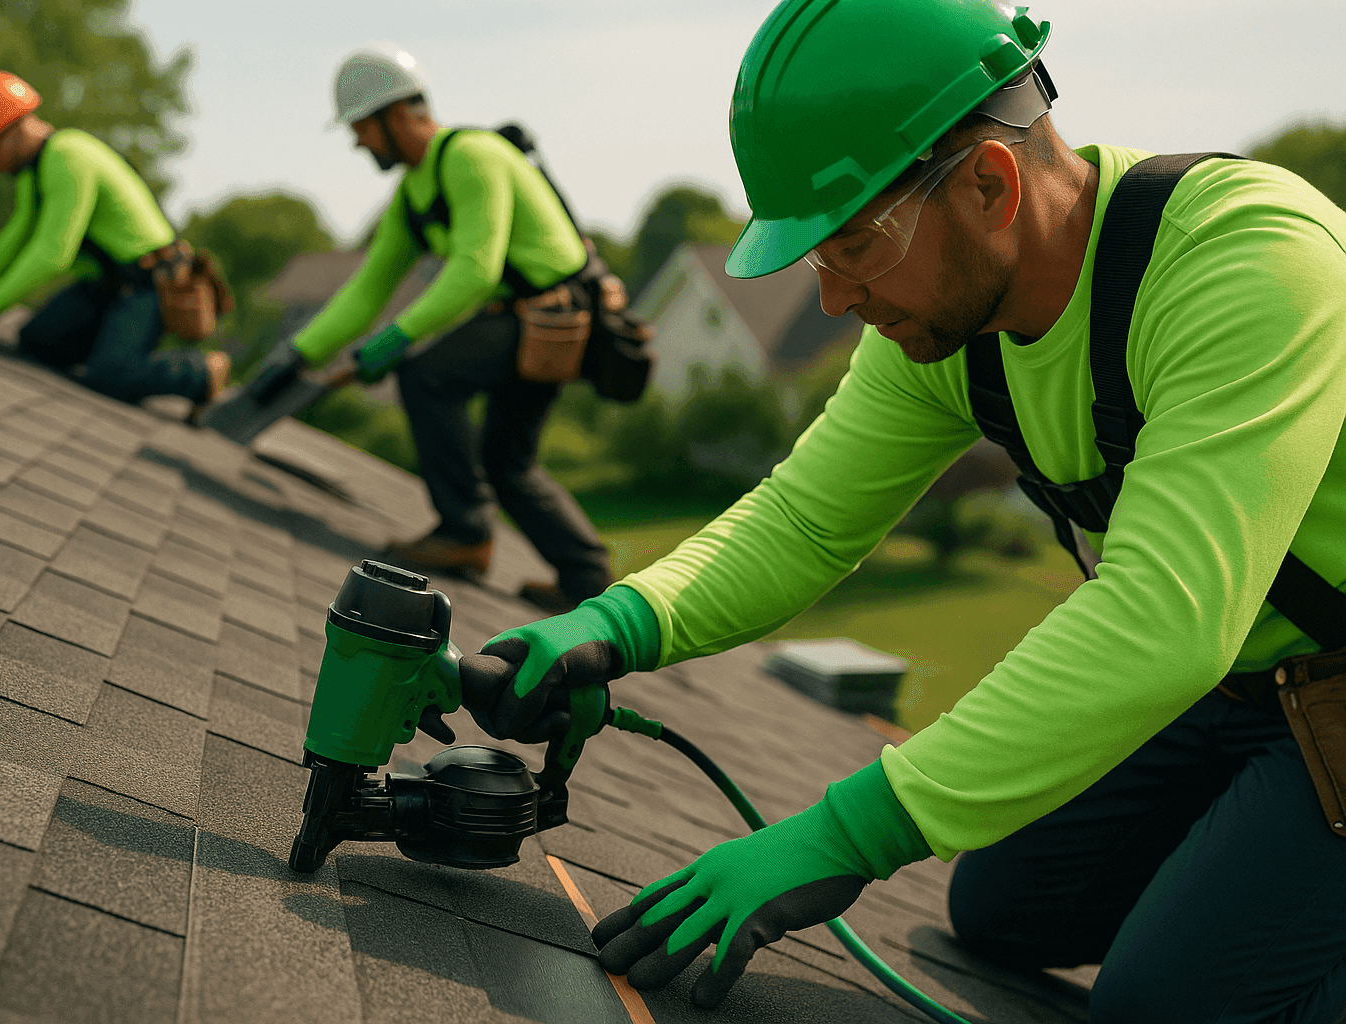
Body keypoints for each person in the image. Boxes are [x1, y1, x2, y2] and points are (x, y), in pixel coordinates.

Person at [456, 1, 1346, 1021]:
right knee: (1008, 909)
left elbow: (1167, 617)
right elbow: (806, 521)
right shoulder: (950, 325)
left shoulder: (1249, 263)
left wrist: (846, 831)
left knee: (1158, 1009)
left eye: (850, 249)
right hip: (1237, 685)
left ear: (987, 185)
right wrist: (613, 625)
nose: (833, 299)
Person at [256, 45, 613, 613]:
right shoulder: (412, 195)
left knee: (427, 377)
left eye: (361, 127)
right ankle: (586, 577)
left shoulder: (474, 156)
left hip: (556, 316)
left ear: (398, 116)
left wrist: (394, 343)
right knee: (506, 461)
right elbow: (366, 289)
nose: (356, 141)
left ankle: (465, 533)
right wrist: (296, 355)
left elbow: (477, 270)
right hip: (524, 318)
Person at [0, 70, 228, 406]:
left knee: (109, 375)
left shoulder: (66, 156)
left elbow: (51, 254)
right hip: (107, 285)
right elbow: (17, 235)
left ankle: (199, 372)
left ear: (11, 131)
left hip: (150, 287)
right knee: (37, 341)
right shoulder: (33, 169)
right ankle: (106, 346)